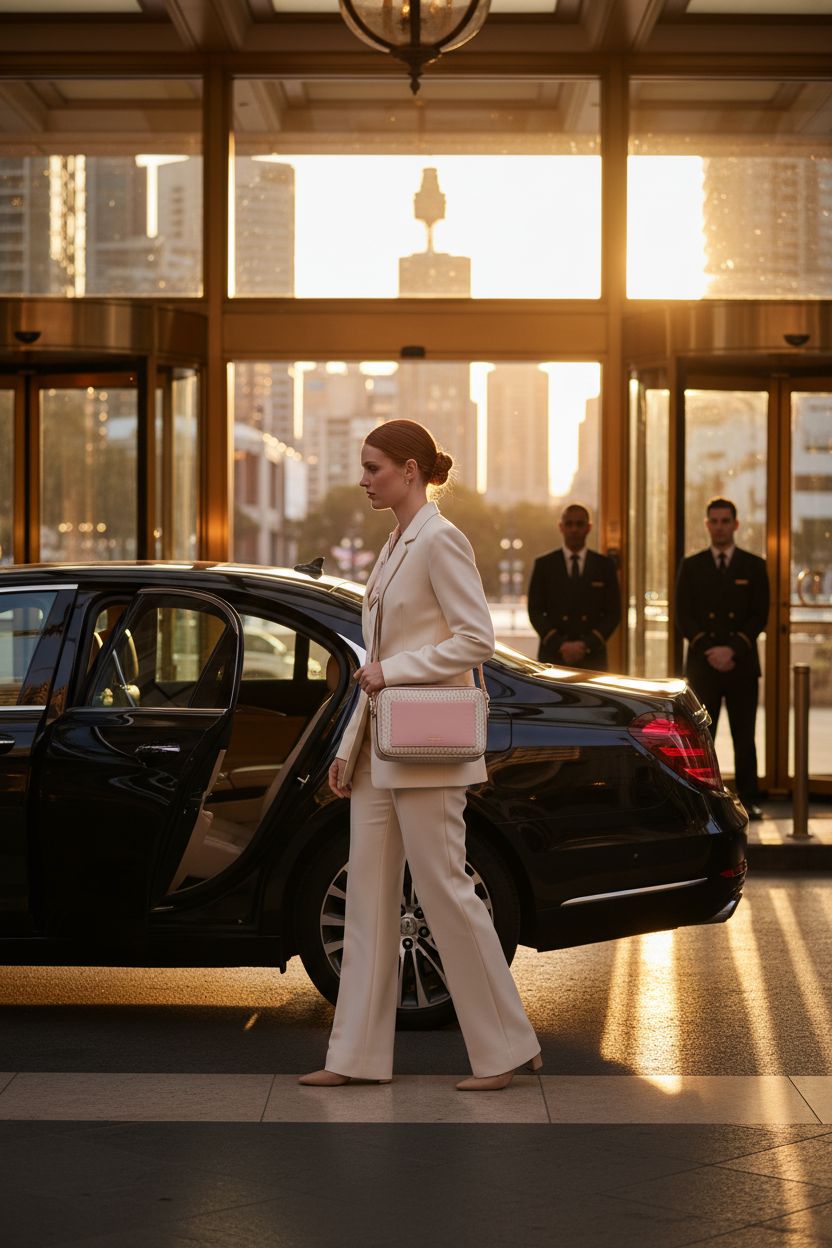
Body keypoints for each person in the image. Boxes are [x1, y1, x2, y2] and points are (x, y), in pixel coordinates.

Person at [299, 419, 541, 1092]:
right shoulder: (396, 544)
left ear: (410, 470)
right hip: (382, 746)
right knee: (367, 903)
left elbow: (476, 639)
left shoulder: (441, 539)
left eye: (374, 467)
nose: (363, 478)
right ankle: (354, 1057)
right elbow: (372, 666)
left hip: (427, 749)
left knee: (445, 892)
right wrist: (350, 748)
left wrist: (396, 672)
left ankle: (505, 1049)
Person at [675, 497, 769, 821]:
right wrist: (711, 650)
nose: (719, 527)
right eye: (713, 521)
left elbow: (760, 615)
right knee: (702, 739)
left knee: (745, 737)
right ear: (706, 525)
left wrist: (732, 649)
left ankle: (750, 798)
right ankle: (703, 801)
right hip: (704, 665)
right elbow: (683, 615)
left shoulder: (754, 565)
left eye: (725, 521)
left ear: (736, 524)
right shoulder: (692, 564)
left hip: (741, 664)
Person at [527, 503, 621, 671]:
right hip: (553, 655)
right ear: (561, 527)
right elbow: (535, 611)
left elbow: (614, 612)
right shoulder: (544, 565)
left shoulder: (605, 565)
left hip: (593, 657)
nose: (574, 529)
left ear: (589, 527)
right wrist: (560, 644)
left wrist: (586, 645)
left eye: (580, 524)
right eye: (569, 524)